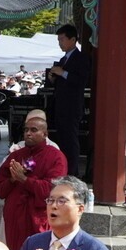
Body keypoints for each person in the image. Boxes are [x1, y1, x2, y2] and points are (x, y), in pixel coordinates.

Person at [0, 109, 67, 250]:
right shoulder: (16, 155)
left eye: (34, 130)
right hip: (14, 218)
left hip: (38, 218)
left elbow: (52, 190)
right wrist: (13, 179)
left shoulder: (56, 156)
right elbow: (0, 189)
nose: (28, 133)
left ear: (45, 134)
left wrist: (25, 180)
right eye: (26, 130)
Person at [46, 24, 90, 176]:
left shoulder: (81, 58)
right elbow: (60, 83)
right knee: (62, 139)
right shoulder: (63, 59)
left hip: (72, 105)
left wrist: (63, 73)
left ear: (73, 39)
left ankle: (72, 172)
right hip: (60, 105)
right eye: (58, 40)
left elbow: (81, 81)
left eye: (62, 39)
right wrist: (53, 78)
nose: (60, 43)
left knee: (70, 140)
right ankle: (64, 170)